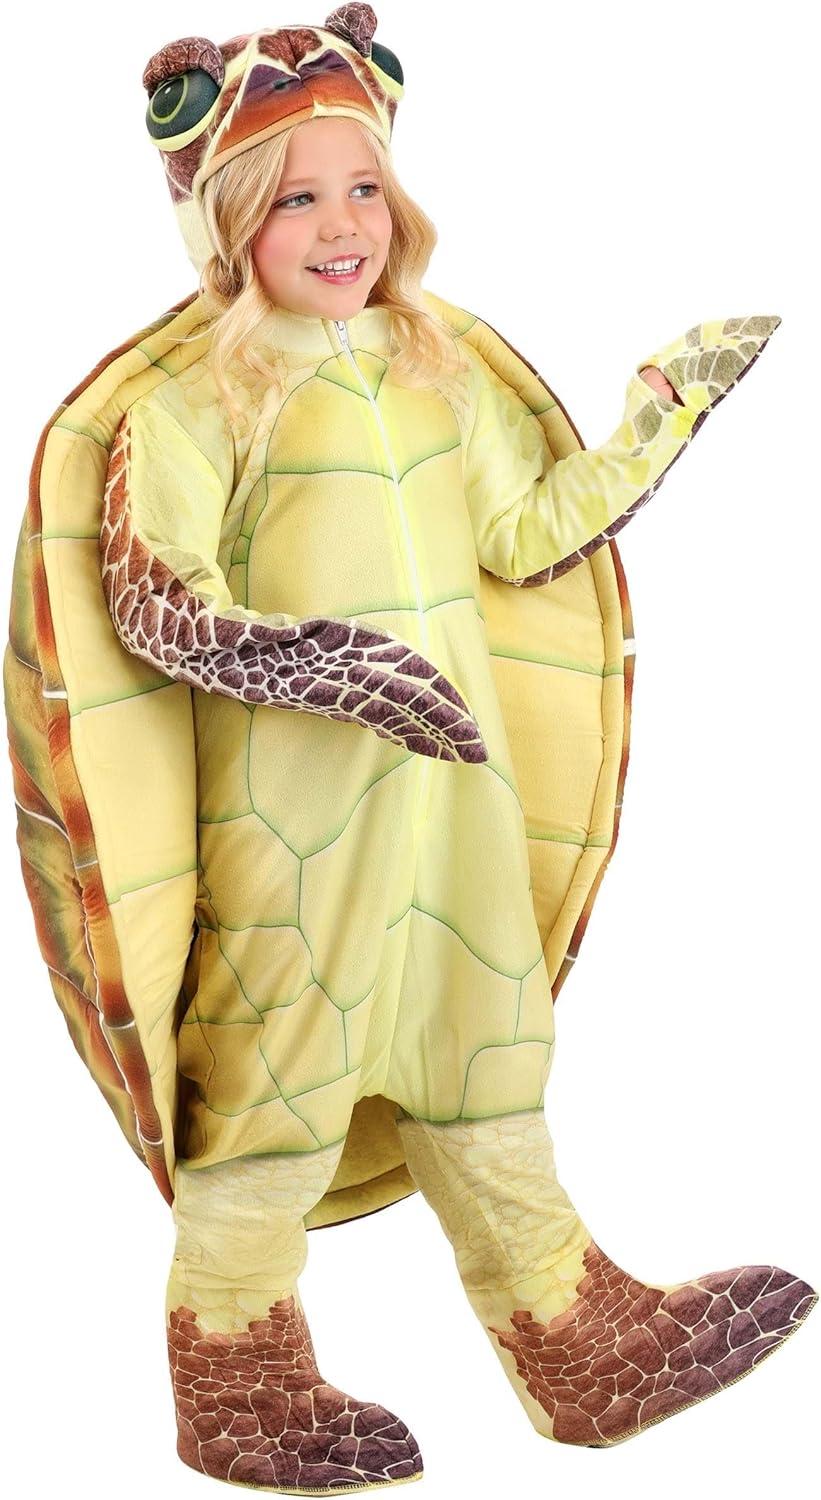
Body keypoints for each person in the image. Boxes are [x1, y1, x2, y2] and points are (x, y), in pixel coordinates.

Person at [11, 6, 816, 1493]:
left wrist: (653, 422)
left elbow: (523, 534)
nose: (342, 226)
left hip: (453, 795)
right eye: (294, 199)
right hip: (289, 816)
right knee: (278, 1066)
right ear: (222, 223)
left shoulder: (438, 367)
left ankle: (570, 1329)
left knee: (486, 1038)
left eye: (363, 187)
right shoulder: (186, 404)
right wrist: (320, 664)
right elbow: (154, 600)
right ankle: (236, 1364)